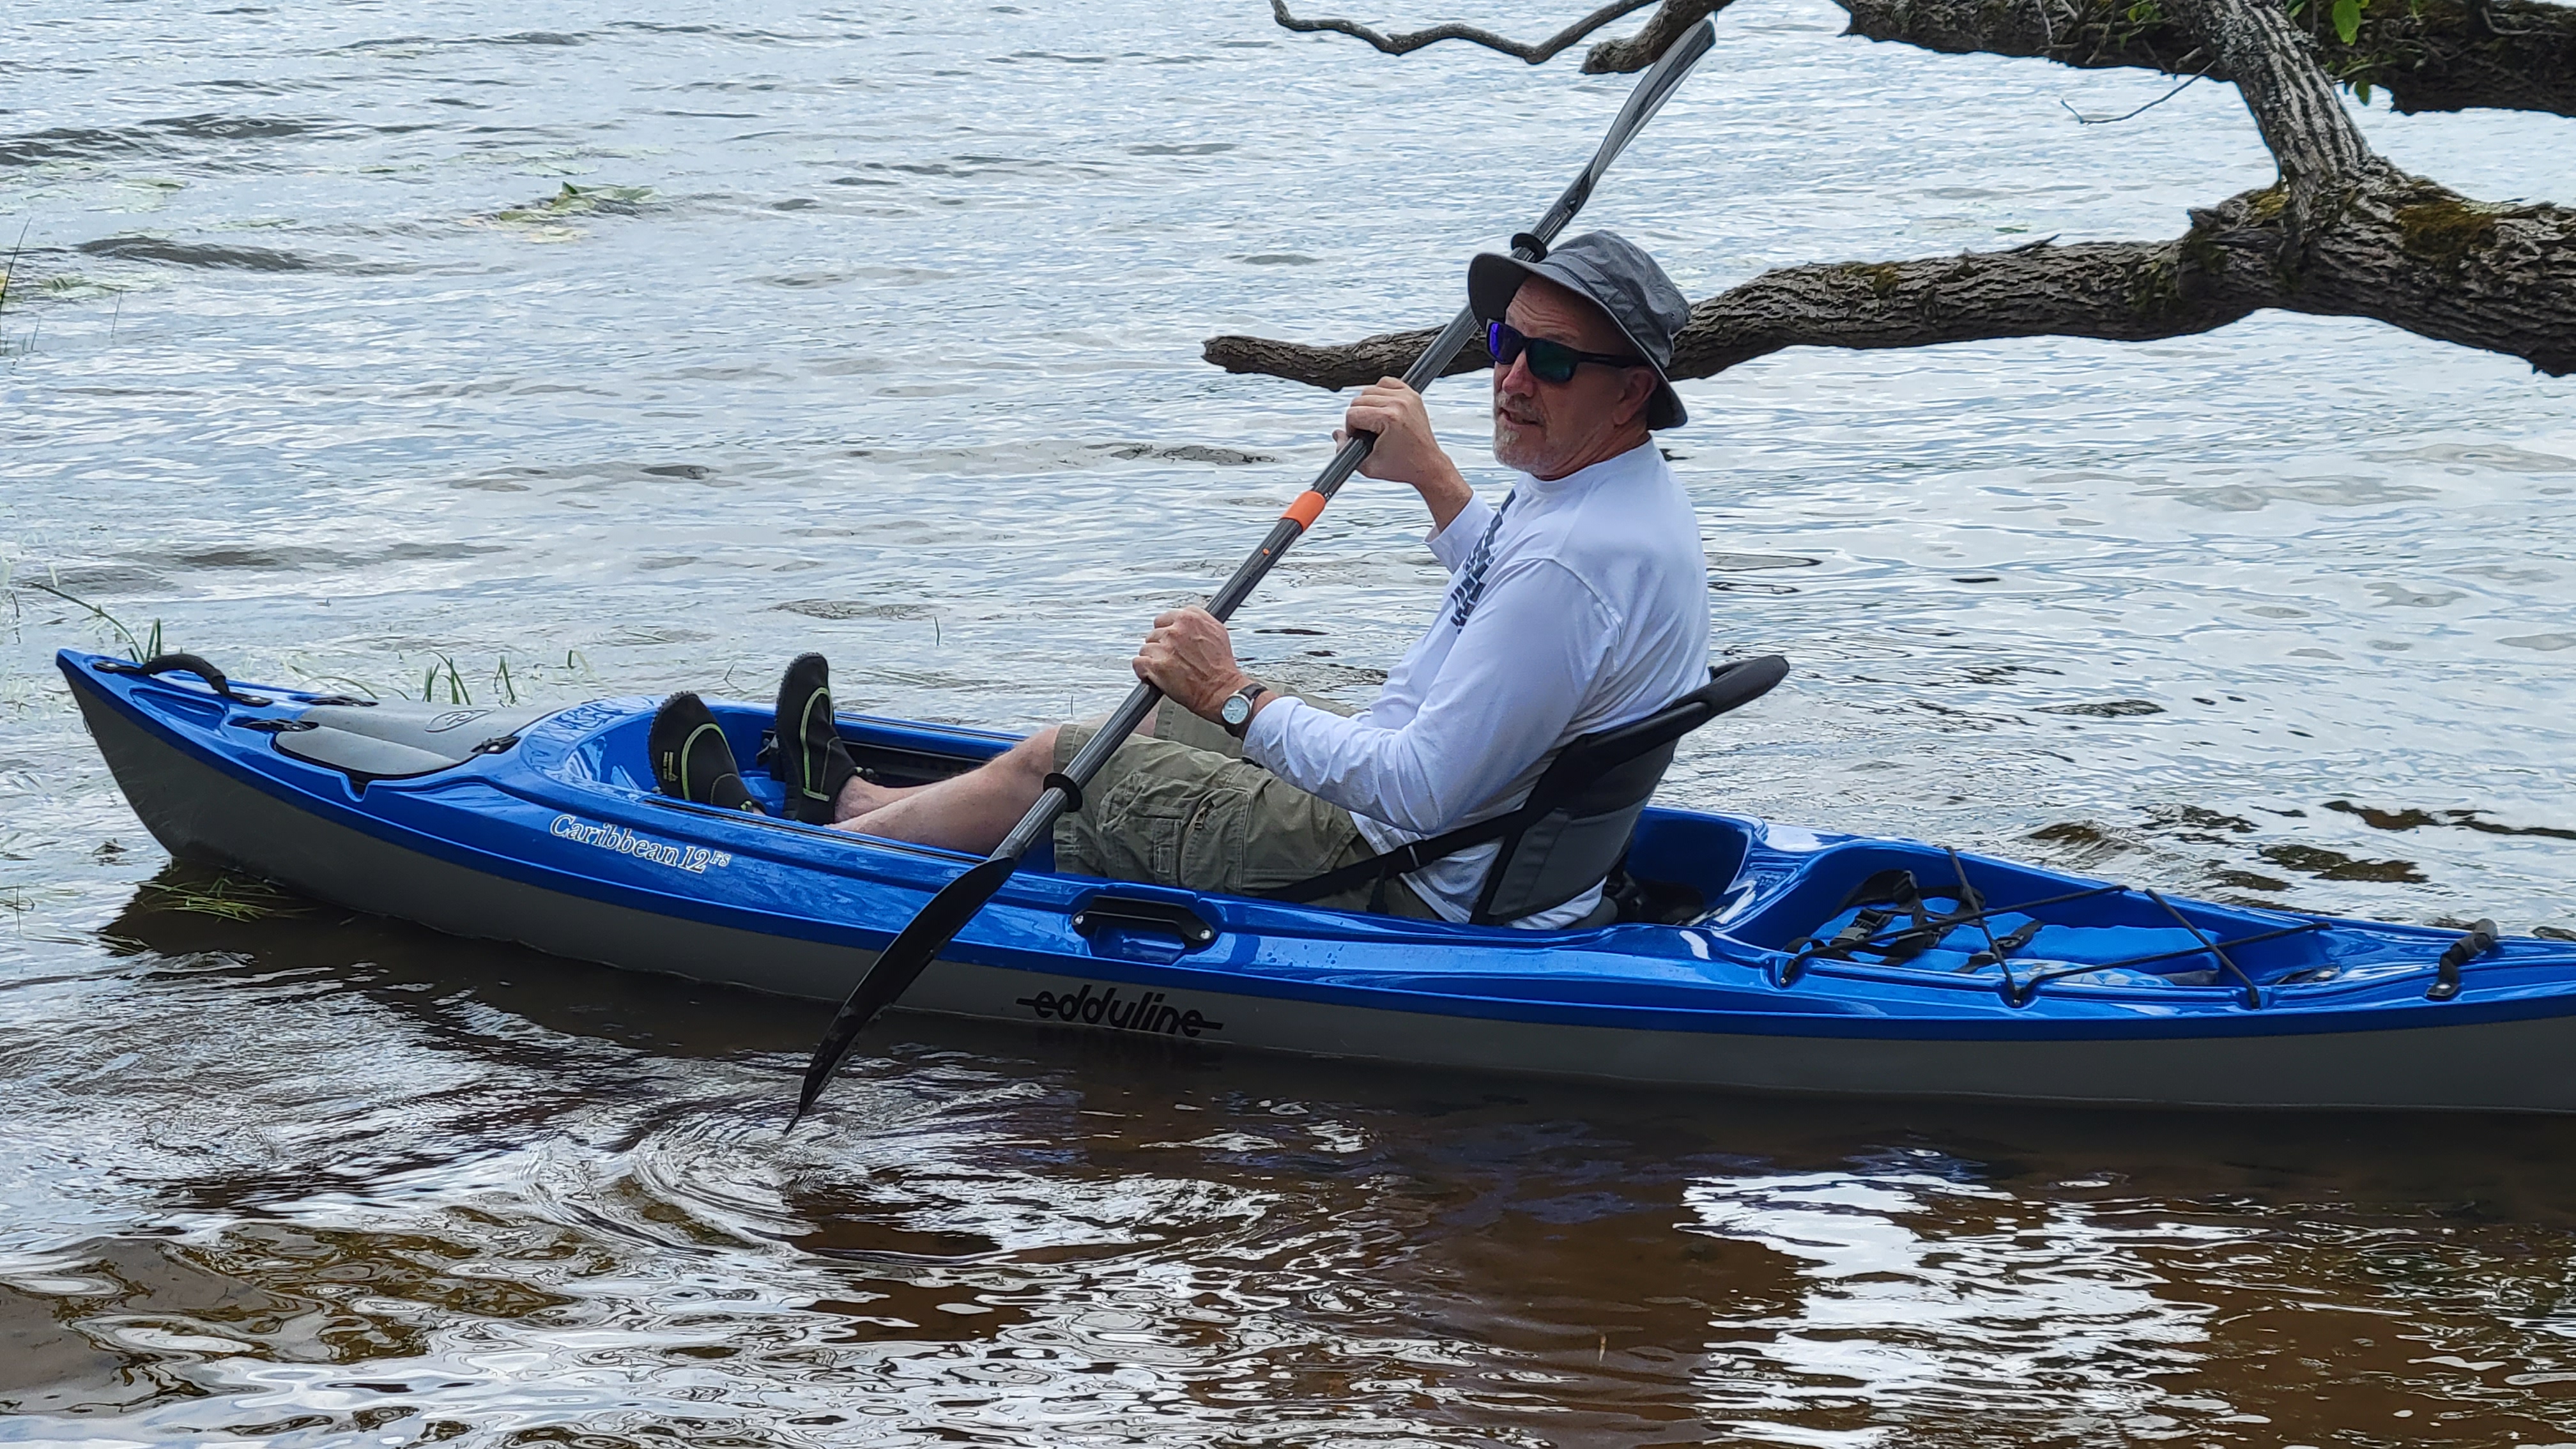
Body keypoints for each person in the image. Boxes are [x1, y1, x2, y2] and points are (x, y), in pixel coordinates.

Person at [649, 230, 1710, 928]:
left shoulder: (1577, 563)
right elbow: (1513, 597)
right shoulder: (1608, 495)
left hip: (1406, 874)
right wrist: (1436, 483)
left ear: (1634, 394)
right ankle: (852, 806)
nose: (1514, 381)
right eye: (1504, 344)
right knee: (1147, 725)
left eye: (1554, 362)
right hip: (1473, 833)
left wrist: (1237, 698)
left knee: (1075, 764)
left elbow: (1422, 788)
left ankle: (777, 865)